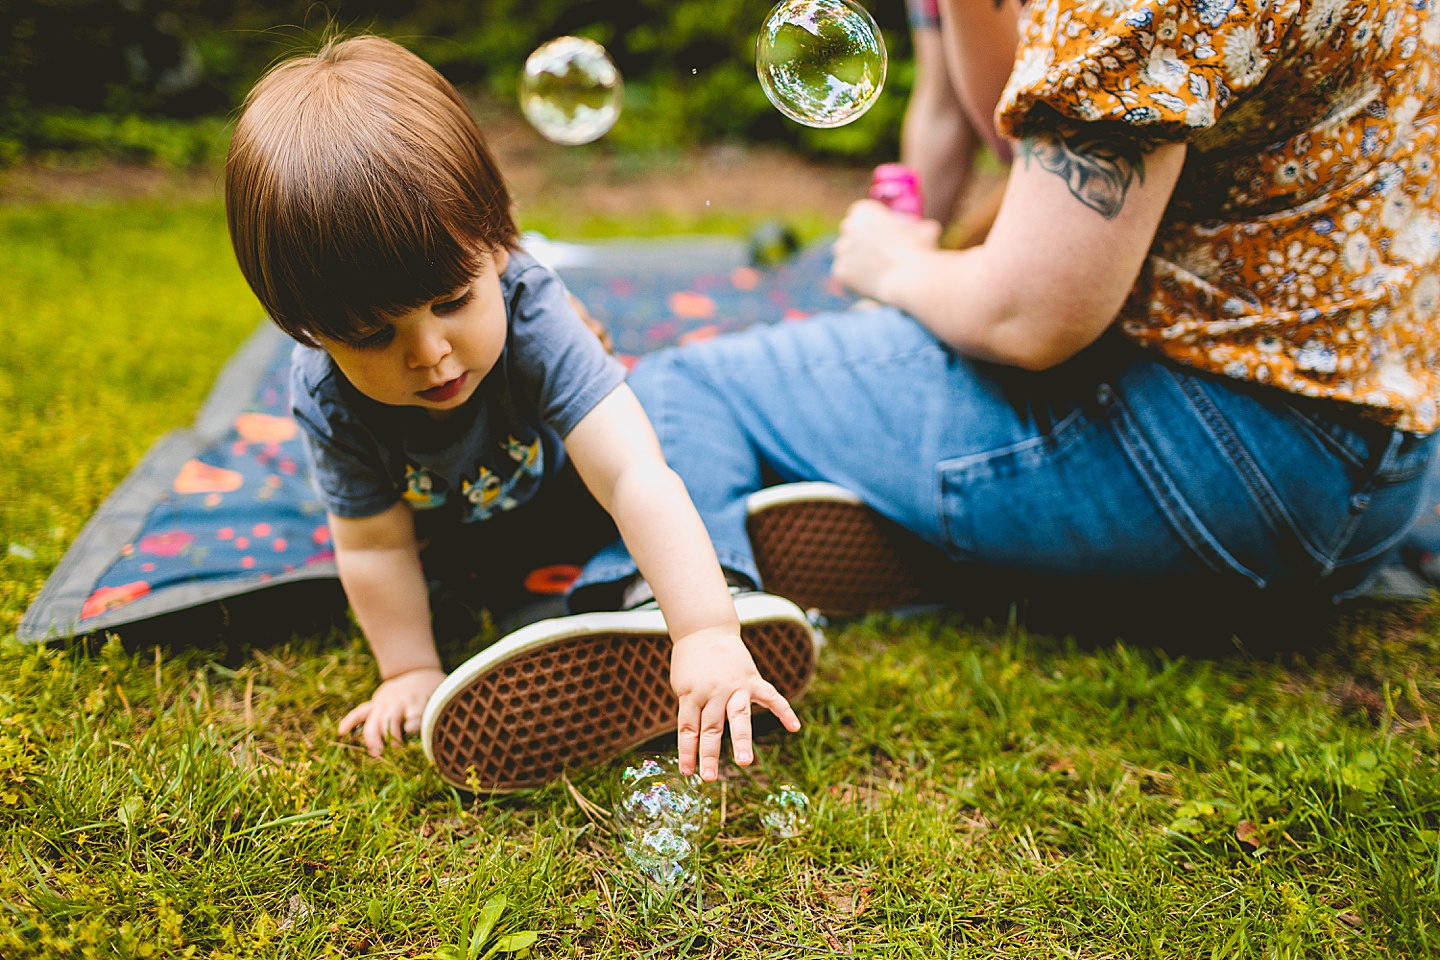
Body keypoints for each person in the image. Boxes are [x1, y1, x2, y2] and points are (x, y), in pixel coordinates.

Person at [576, 0, 1440, 634]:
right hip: (1379, 488)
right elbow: (989, 128)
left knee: (687, 385)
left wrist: (899, 267)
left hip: (1231, 478)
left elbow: (1028, 318)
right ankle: (944, 530)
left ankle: (674, 620)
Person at [223, 35, 816, 790]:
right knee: (445, 588)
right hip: (467, 543)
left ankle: (700, 594)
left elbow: (632, 473)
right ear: (305, 326)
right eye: (375, 335)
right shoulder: (326, 397)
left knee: (671, 430)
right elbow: (373, 548)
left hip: (583, 493)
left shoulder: (532, 309)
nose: (432, 353)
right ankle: (591, 607)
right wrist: (408, 668)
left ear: (498, 240)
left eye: (452, 302)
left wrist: (703, 630)